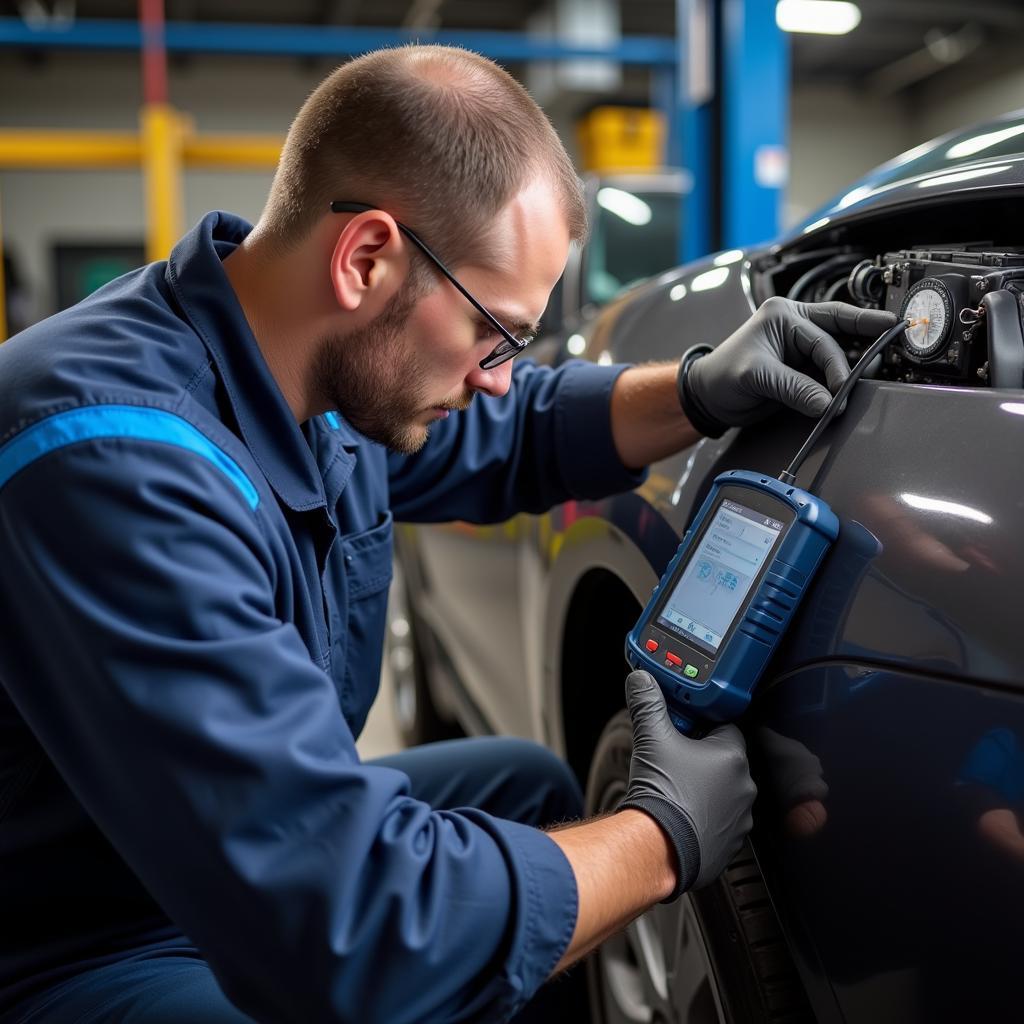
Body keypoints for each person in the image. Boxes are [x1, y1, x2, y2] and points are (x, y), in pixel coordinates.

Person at [0, 45, 896, 1024]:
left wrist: (692, 389)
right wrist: (660, 836)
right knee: (400, 936)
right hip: (71, 938)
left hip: (159, 850)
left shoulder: (295, 366)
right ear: (366, 258)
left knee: (523, 791)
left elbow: (506, 431)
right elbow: (347, 920)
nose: (500, 372)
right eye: (495, 335)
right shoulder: (112, 461)